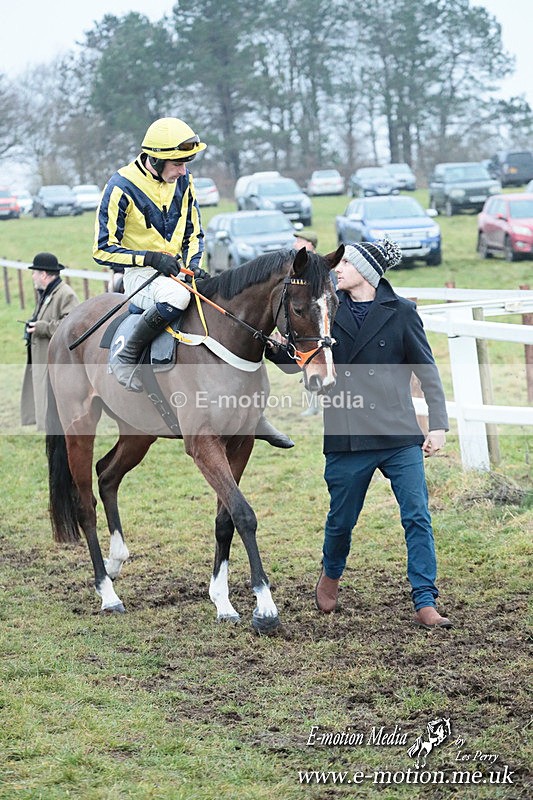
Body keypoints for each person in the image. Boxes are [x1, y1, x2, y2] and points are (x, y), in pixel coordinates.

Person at [268, 239, 452, 628]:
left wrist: (437, 425)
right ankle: (331, 575)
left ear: (366, 272)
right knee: (341, 520)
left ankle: (425, 599)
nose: (338, 268)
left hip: (399, 433)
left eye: (347, 263)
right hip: (348, 434)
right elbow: (300, 356)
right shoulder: (328, 310)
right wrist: (274, 347)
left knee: (417, 516)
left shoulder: (402, 312)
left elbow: (427, 371)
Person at [93, 116, 210, 392]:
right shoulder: (120, 186)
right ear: (155, 160)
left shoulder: (185, 181)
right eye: (178, 164)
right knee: (178, 296)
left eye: (185, 164)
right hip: (140, 276)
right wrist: (150, 258)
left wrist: (194, 266)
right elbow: (101, 249)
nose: (183, 171)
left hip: (178, 270)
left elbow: (194, 232)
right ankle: (127, 354)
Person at [20, 252, 79, 431]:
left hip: (55, 360)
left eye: (35, 273)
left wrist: (42, 328)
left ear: (44, 274)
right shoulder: (47, 292)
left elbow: (72, 326)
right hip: (43, 356)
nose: (33, 277)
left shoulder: (65, 294)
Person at [293, 230, 320, 417]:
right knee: (306, 366)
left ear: (310, 244)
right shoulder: (300, 266)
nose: (296, 245)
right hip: (306, 326)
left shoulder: (317, 266)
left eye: (300, 241)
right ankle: (313, 405)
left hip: (318, 326)